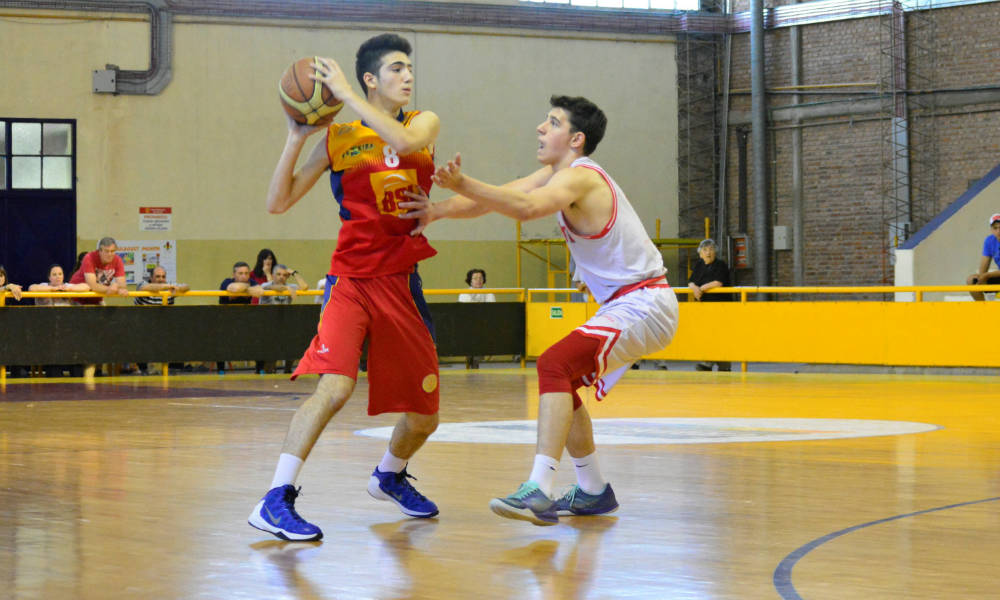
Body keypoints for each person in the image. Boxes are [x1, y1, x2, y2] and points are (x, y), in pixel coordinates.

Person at [403, 95, 679, 526]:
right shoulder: (555, 175)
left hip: (644, 302)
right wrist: (437, 210)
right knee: (561, 379)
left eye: (552, 122)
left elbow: (526, 210)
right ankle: (593, 490)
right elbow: (500, 198)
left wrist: (461, 183)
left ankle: (539, 488)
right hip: (629, 302)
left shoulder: (581, 178)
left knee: (552, 364)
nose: (540, 128)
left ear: (576, 138)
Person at [248, 33, 443, 542]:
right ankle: (276, 498)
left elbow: (403, 144)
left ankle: (389, 475)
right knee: (335, 386)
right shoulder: (337, 139)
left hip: (402, 282)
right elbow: (278, 202)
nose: (408, 76)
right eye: (397, 69)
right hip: (351, 280)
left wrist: (348, 99)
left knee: (425, 417)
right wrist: (296, 137)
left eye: (409, 68)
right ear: (371, 79)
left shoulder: (422, 123)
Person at [687, 238, 732, 372]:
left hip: (720, 307)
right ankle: (707, 361)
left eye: (711, 249)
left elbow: (718, 282)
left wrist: (702, 288)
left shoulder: (720, 265)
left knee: (720, 335)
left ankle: (721, 364)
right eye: (705, 250)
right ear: (700, 253)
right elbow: (691, 282)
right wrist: (694, 287)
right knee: (706, 334)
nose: (708, 253)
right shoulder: (699, 265)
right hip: (704, 308)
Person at [134, 265, 189, 375]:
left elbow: (187, 286)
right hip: (143, 326)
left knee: (181, 330)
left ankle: (174, 369)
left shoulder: (168, 287)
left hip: (164, 326)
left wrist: (179, 288)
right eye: (158, 276)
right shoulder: (143, 284)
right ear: (151, 278)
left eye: (163, 276)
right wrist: (167, 286)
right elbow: (145, 288)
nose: (161, 279)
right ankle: (144, 369)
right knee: (139, 336)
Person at [68, 237, 129, 305]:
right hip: (77, 297)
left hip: (96, 297)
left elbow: (122, 285)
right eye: (106, 251)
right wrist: (110, 288)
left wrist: (117, 287)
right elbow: (92, 286)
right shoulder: (89, 258)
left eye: (112, 251)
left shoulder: (118, 260)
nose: (109, 254)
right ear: (99, 251)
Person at [458, 268, 495, 368]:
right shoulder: (464, 293)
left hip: (484, 324)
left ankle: (475, 359)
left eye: (480, 278)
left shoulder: (489, 292)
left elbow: (491, 310)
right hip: (468, 324)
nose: (478, 280)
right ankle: (471, 356)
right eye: (475, 278)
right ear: (470, 280)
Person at [965, 213, 1000, 301]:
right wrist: (982, 277)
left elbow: (986, 274)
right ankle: (983, 310)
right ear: (991, 230)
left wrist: (987, 275)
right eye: (995, 228)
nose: (998, 231)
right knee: (972, 280)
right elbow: (983, 268)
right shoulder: (990, 241)